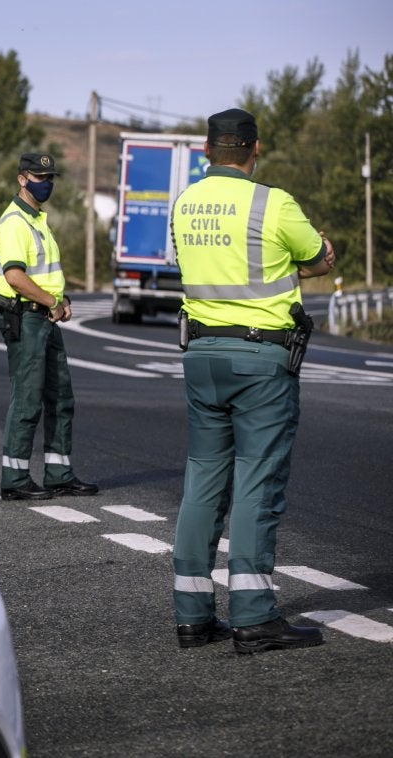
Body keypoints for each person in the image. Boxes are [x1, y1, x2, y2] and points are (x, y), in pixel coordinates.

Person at [170, 108, 335, 653]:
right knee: (257, 483)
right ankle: (254, 616)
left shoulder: (185, 204)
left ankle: (193, 616)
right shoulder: (274, 202)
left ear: (207, 149)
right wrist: (312, 261)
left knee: (202, 482)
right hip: (261, 359)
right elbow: (316, 258)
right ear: (254, 149)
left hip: (201, 356)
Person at [0, 153, 99, 501]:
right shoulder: (13, 223)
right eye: (39, 177)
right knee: (27, 400)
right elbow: (14, 275)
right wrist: (51, 302)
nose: (46, 182)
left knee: (60, 398)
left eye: (50, 176)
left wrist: (60, 299)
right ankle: (15, 478)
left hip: (46, 318)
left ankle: (59, 473)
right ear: (22, 179)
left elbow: (45, 273)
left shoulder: (38, 221)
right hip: (25, 317)